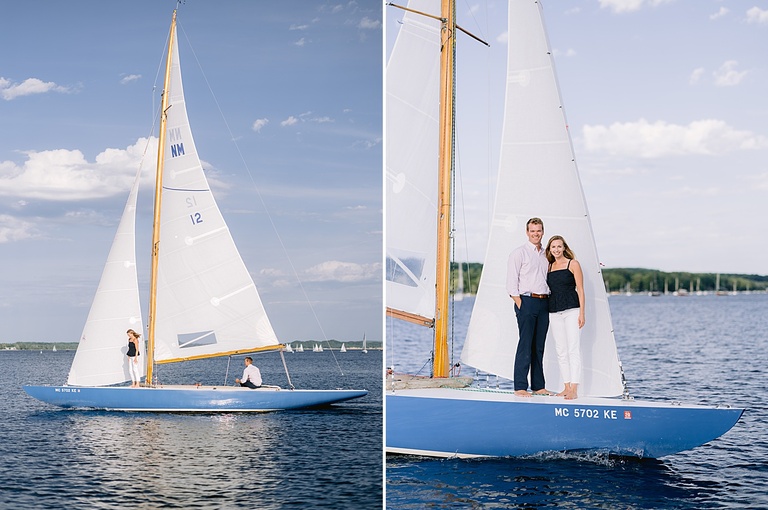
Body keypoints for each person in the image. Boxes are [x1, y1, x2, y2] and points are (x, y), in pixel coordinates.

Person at [506, 217, 552, 397]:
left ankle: (539, 386)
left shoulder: (546, 255)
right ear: (527, 233)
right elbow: (511, 284)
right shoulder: (519, 253)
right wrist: (520, 304)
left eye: (538, 230)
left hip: (544, 303)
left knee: (539, 346)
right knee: (525, 345)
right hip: (526, 301)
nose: (536, 234)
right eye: (532, 231)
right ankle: (520, 387)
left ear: (543, 232)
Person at [545, 235, 585, 400]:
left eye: (559, 246)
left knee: (573, 349)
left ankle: (574, 389)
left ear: (564, 247)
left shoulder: (573, 264)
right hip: (554, 311)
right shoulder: (549, 266)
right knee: (561, 351)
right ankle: (566, 386)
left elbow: (581, 290)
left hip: (572, 310)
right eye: (553, 247)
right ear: (550, 249)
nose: (556, 250)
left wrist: (582, 313)